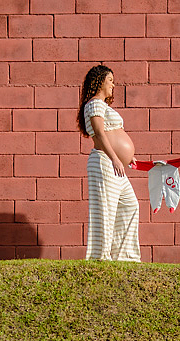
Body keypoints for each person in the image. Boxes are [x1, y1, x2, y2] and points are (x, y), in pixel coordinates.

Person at [77, 65, 140, 262]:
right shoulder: (95, 104)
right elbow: (99, 133)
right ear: (100, 81)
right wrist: (115, 157)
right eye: (110, 80)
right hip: (105, 162)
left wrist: (127, 157)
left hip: (116, 165)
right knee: (105, 210)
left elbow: (114, 135)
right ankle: (101, 258)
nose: (113, 84)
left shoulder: (103, 106)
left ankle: (124, 257)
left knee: (131, 205)